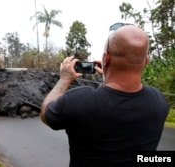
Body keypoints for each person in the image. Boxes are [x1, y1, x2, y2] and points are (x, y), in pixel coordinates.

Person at [40, 23, 169, 167]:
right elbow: (131, 92)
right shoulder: (159, 101)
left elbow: (46, 113)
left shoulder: (79, 101)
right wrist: (108, 77)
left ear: (105, 58)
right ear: (146, 61)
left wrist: (64, 79)